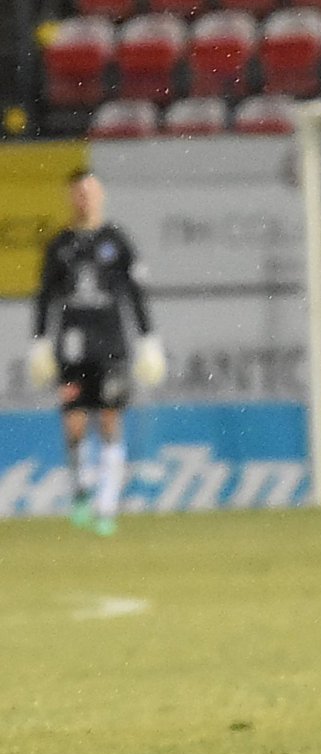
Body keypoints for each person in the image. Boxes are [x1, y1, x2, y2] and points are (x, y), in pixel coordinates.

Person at [28, 173, 166, 535]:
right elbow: (45, 297)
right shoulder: (60, 245)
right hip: (72, 346)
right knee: (74, 424)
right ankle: (81, 494)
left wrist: (148, 340)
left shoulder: (116, 241)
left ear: (100, 195)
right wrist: (40, 342)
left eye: (90, 192)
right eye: (79, 193)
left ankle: (106, 506)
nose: (85, 199)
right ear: (71, 198)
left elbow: (136, 294)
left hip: (111, 346)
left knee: (108, 419)